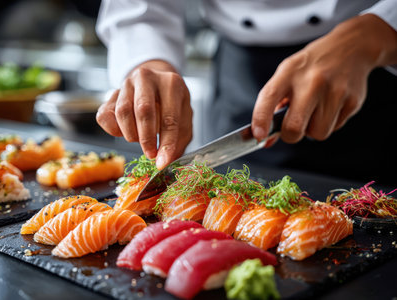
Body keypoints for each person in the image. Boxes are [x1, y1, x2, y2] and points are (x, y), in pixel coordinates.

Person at [95, 1, 397, 185]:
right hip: (239, 69)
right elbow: (139, 8)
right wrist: (147, 60)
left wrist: (373, 34)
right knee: (231, 183)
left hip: (373, 68)